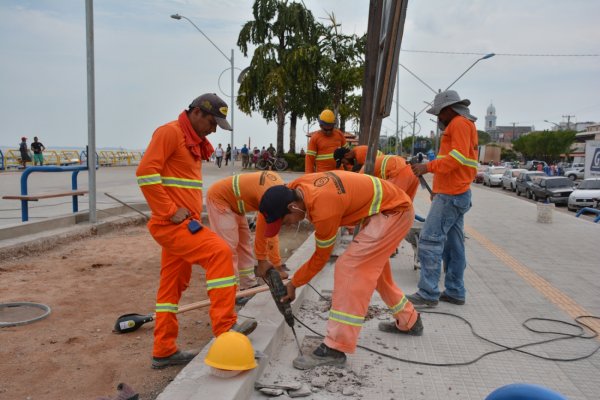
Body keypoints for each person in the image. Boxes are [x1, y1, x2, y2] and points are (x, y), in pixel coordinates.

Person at [135, 93, 256, 369]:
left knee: (171, 287)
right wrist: (168, 210)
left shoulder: (193, 142)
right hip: (172, 224)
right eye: (213, 123)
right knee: (220, 253)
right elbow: (145, 173)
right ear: (198, 113)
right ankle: (226, 328)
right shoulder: (169, 133)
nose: (214, 129)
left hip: (182, 223)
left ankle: (163, 350)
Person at [257, 171, 423, 370]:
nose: (288, 225)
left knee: (350, 267)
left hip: (394, 212)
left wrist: (294, 283)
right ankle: (410, 320)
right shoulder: (296, 187)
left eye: (285, 221)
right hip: (385, 211)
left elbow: (320, 257)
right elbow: (268, 211)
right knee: (375, 272)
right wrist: (261, 257)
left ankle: (336, 347)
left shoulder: (324, 208)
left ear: (292, 207)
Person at [407, 89, 478, 307]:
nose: (438, 118)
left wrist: (426, 167)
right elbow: (455, 163)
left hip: (452, 195)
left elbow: (455, 159)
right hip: (455, 192)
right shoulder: (465, 125)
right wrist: (438, 188)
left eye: (439, 113)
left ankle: (428, 294)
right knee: (454, 246)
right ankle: (455, 291)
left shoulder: (458, 124)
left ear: (448, 109)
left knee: (430, 240)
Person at [206, 171, 288, 291]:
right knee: (227, 249)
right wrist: (263, 261)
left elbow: (271, 232)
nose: (288, 223)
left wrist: (277, 265)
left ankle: (248, 285)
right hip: (220, 199)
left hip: (236, 206)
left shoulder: (278, 191)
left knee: (244, 245)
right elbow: (266, 232)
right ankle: (231, 291)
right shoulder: (269, 198)